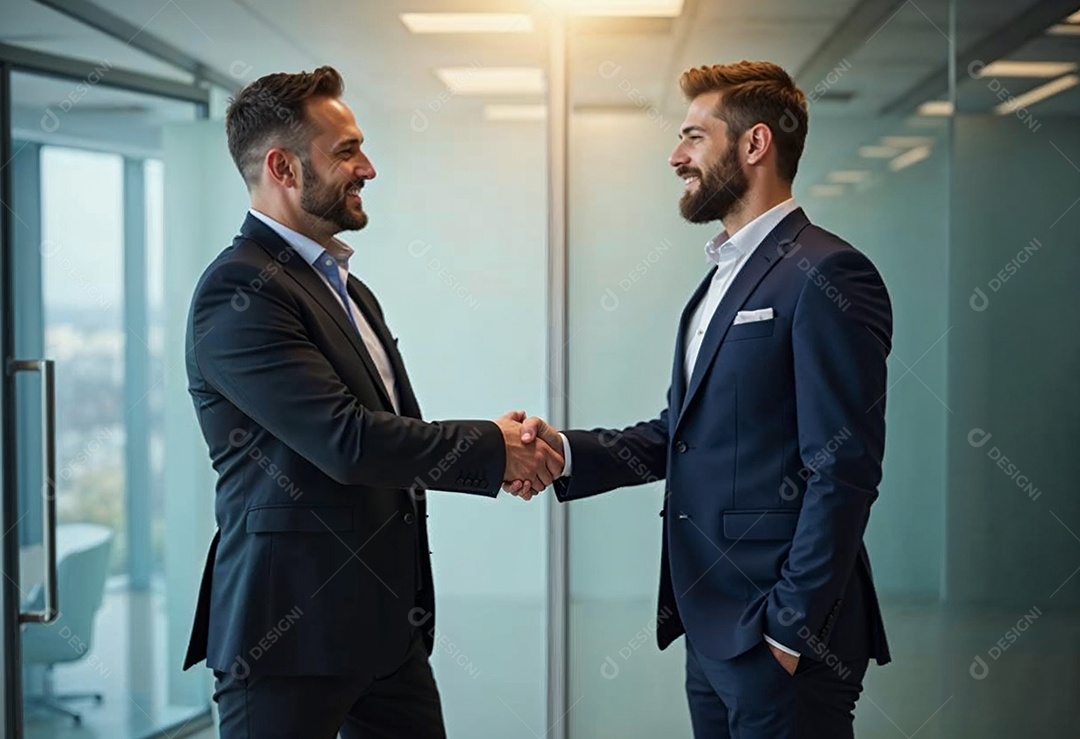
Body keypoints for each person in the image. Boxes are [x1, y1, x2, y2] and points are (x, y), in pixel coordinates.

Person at [508, 60, 892, 738]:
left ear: (754, 144)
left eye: (692, 136)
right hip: (712, 623)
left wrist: (787, 630)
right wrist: (562, 451)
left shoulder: (828, 272)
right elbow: (682, 434)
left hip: (781, 635)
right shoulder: (718, 280)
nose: (675, 155)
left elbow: (844, 466)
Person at [182, 66, 563, 739]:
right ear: (283, 167)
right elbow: (347, 441)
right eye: (347, 151)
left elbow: (392, 435)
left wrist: (498, 446)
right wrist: (491, 448)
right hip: (287, 640)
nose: (369, 168)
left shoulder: (350, 291)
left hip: (386, 632)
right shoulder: (239, 292)